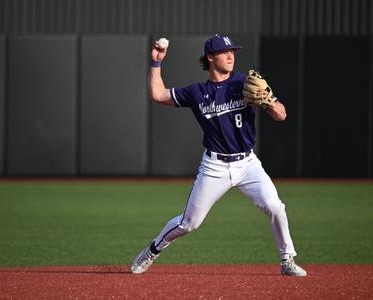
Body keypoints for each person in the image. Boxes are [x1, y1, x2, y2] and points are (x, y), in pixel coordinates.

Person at [130, 34, 307, 276]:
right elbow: (157, 95)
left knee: (275, 206)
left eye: (233, 51)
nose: (231, 55)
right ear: (211, 58)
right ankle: (152, 250)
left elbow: (281, 115)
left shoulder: (245, 83)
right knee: (188, 223)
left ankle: (287, 260)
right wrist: (156, 62)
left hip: (247, 163)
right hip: (214, 167)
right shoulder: (197, 92)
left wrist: (267, 102)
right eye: (225, 52)